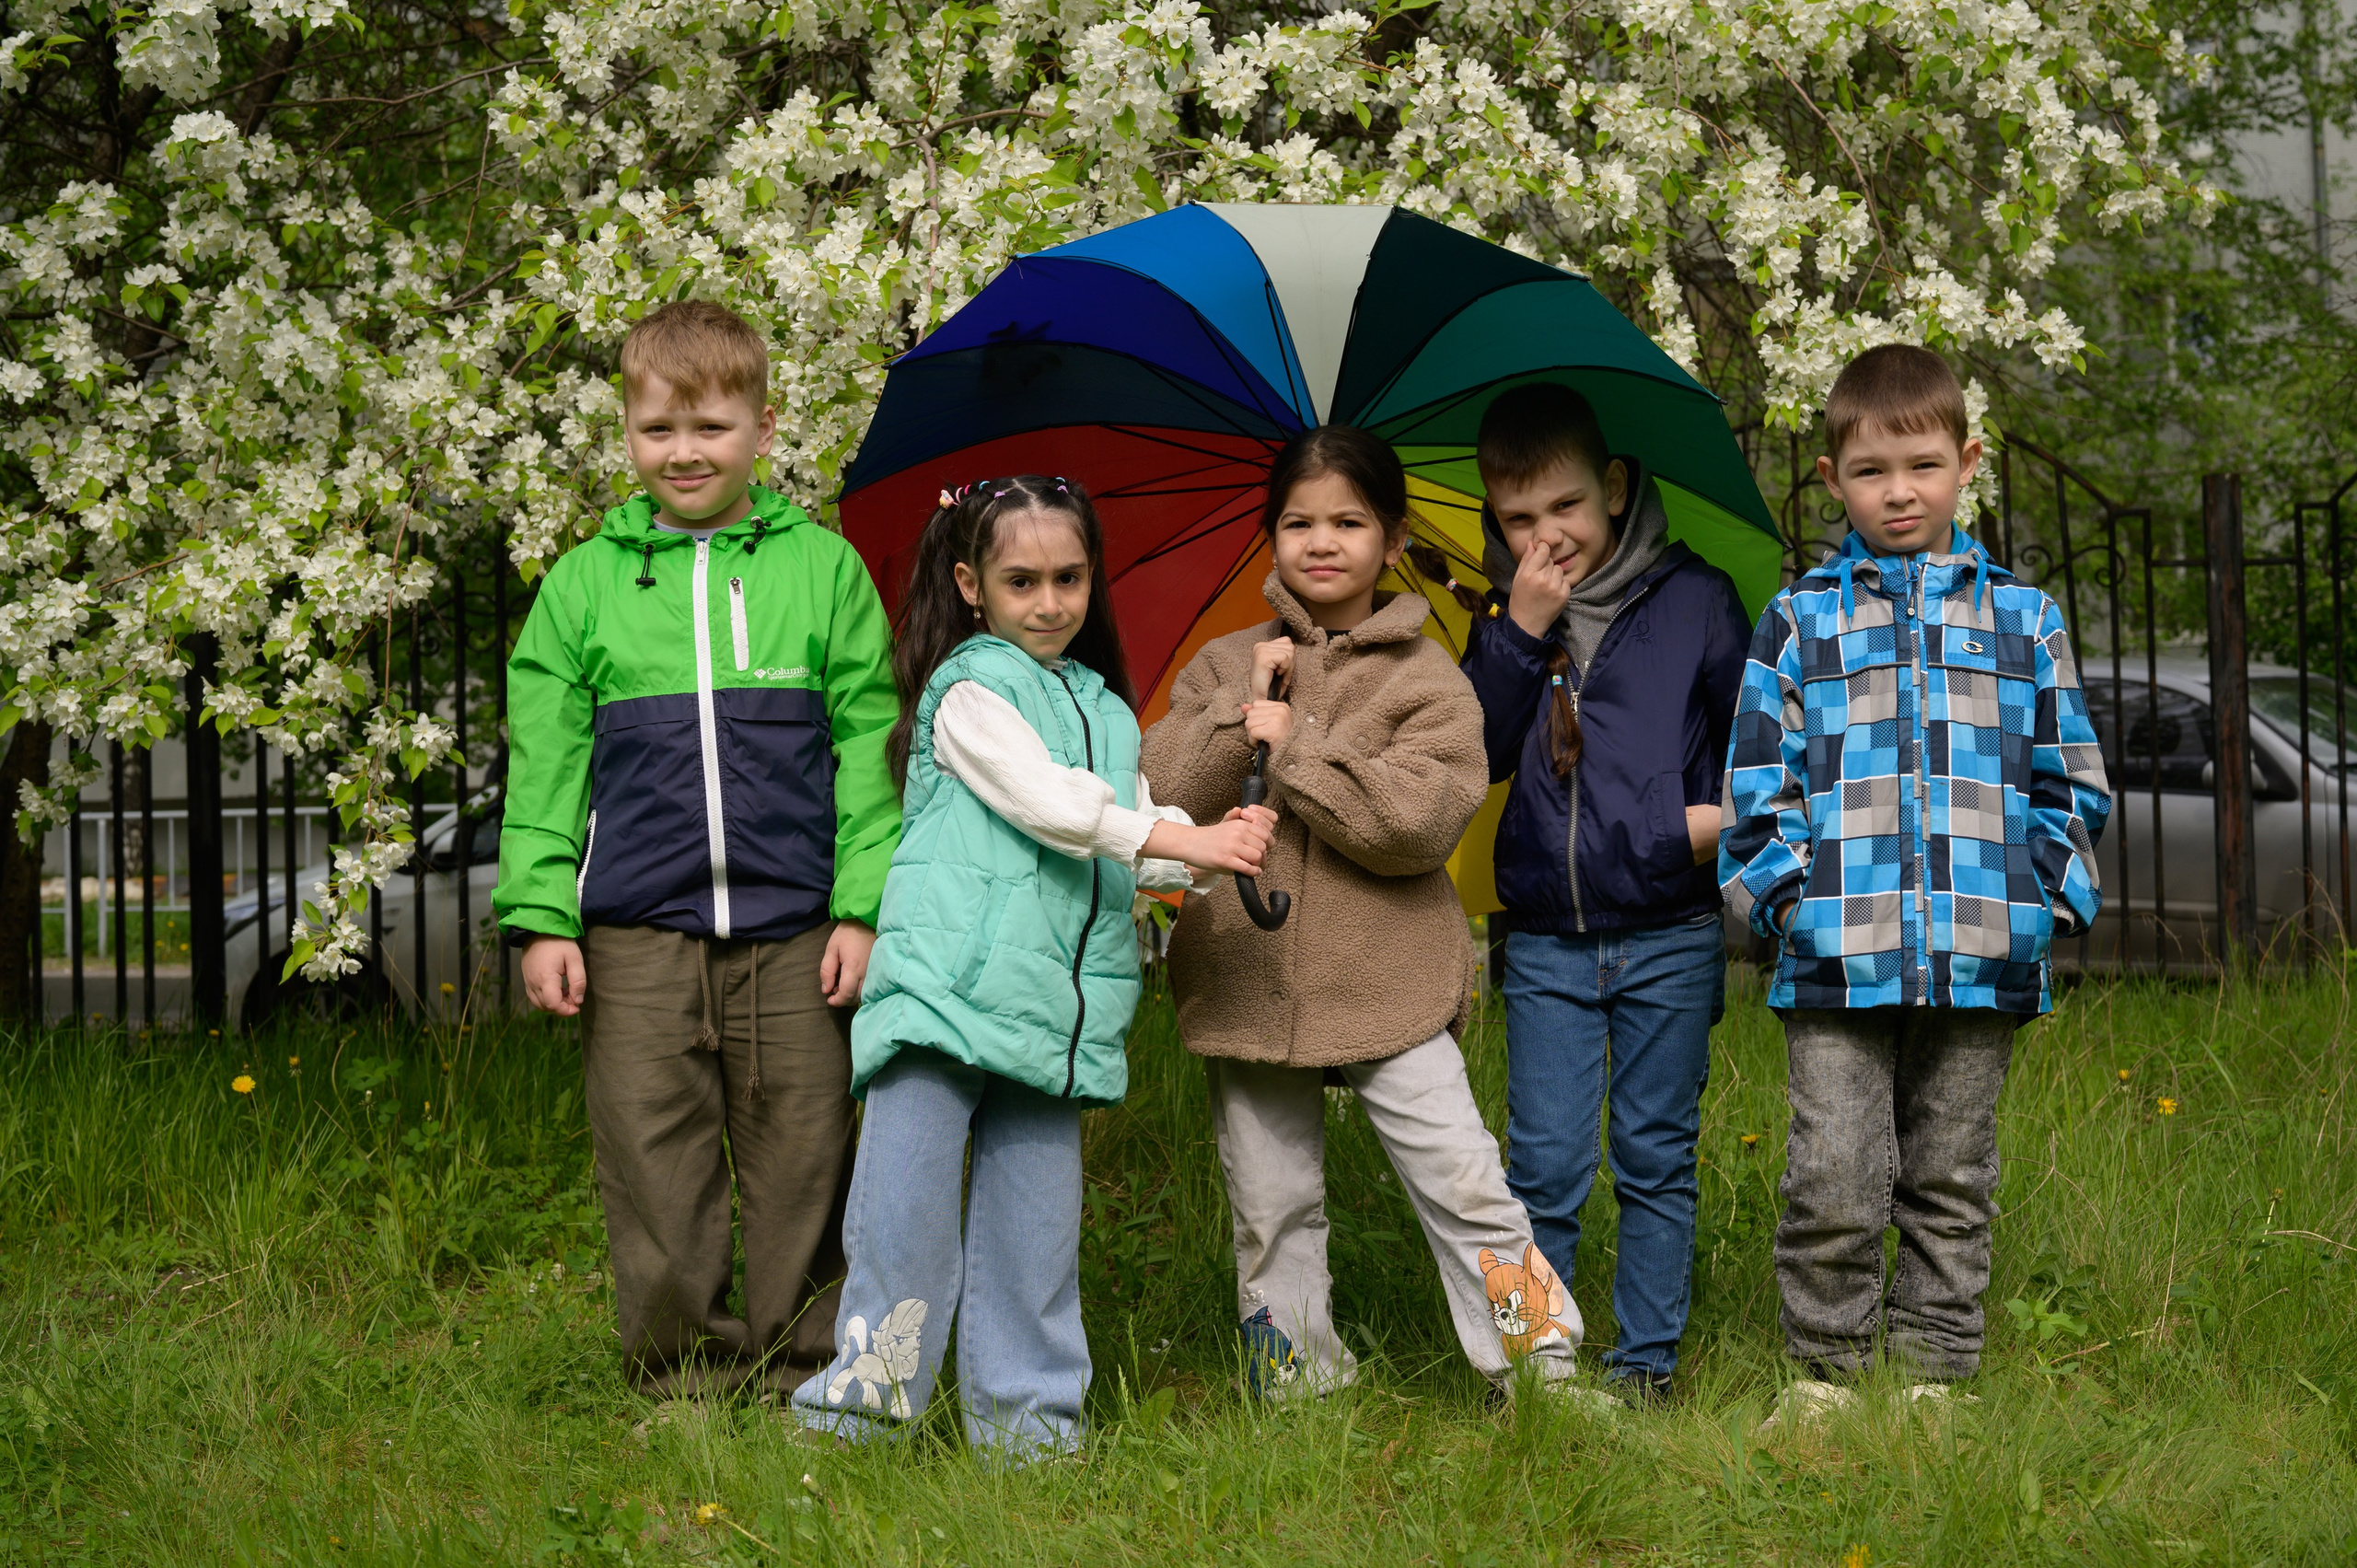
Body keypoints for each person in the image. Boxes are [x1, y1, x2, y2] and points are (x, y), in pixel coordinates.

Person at [789, 475, 1275, 1458]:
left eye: (1069, 578)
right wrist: (1183, 839)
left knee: (1036, 1233)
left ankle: (1029, 1431)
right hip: (945, 997)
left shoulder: (1104, 705)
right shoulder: (968, 688)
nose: (1049, 602)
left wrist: (1210, 847)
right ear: (971, 584)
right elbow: (1048, 803)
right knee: (905, 1223)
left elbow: (1127, 830)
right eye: (1022, 581)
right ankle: (857, 1418)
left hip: (1052, 1015)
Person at [493, 298, 903, 1399]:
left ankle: (809, 1368)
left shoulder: (824, 570)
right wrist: (541, 917)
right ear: (627, 433)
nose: (684, 451)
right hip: (635, 931)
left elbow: (869, 748)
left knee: (807, 1151)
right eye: (659, 429)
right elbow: (546, 764)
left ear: (763, 428)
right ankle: (682, 1376)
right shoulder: (583, 584)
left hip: (800, 926)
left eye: (711, 427)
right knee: (653, 1157)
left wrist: (861, 907)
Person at [1143, 424, 1586, 1404]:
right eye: (1298, 522)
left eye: (1348, 521)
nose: (1322, 541)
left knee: (1466, 1184)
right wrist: (1235, 714)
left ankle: (1541, 1365)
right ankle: (1295, 1382)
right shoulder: (1227, 662)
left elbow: (1418, 824)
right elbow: (1159, 794)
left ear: (1393, 539)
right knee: (1270, 1206)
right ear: (1271, 537)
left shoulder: (1427, 677)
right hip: (1249, 982)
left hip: (1390, 978)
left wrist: (1299, 747)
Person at [1720, 343, 2110, 1385]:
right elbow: (1756, 784)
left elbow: (2072, 779)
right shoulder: (1799, 620)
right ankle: (1828, 1374)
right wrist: (1792, 909)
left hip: (1984, 954)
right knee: (1833, 1175)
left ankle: (1933, 1371)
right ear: (1831, 479)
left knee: (1949, 1177)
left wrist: (2038, 902)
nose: (1899, 491)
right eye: (1870, 470)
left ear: (1966, 463)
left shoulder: (2024, 618)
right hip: (1834, 959)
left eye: (1923, 465)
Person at [1452, 382, 1752, 1407]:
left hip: (1671, 927)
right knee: (1536, 1165)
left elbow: (1754, 751)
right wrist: (1517, 632)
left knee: (1655, 1154)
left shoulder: (1696, 598)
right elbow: (1475, 756)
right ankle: (1529, 1364)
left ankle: (1645, 1365)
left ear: (1615, 488)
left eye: (1566, 506)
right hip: (1544, 936)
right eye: (1518, 518)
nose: (1545, 536)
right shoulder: (1503, 617)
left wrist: (1689, 824)